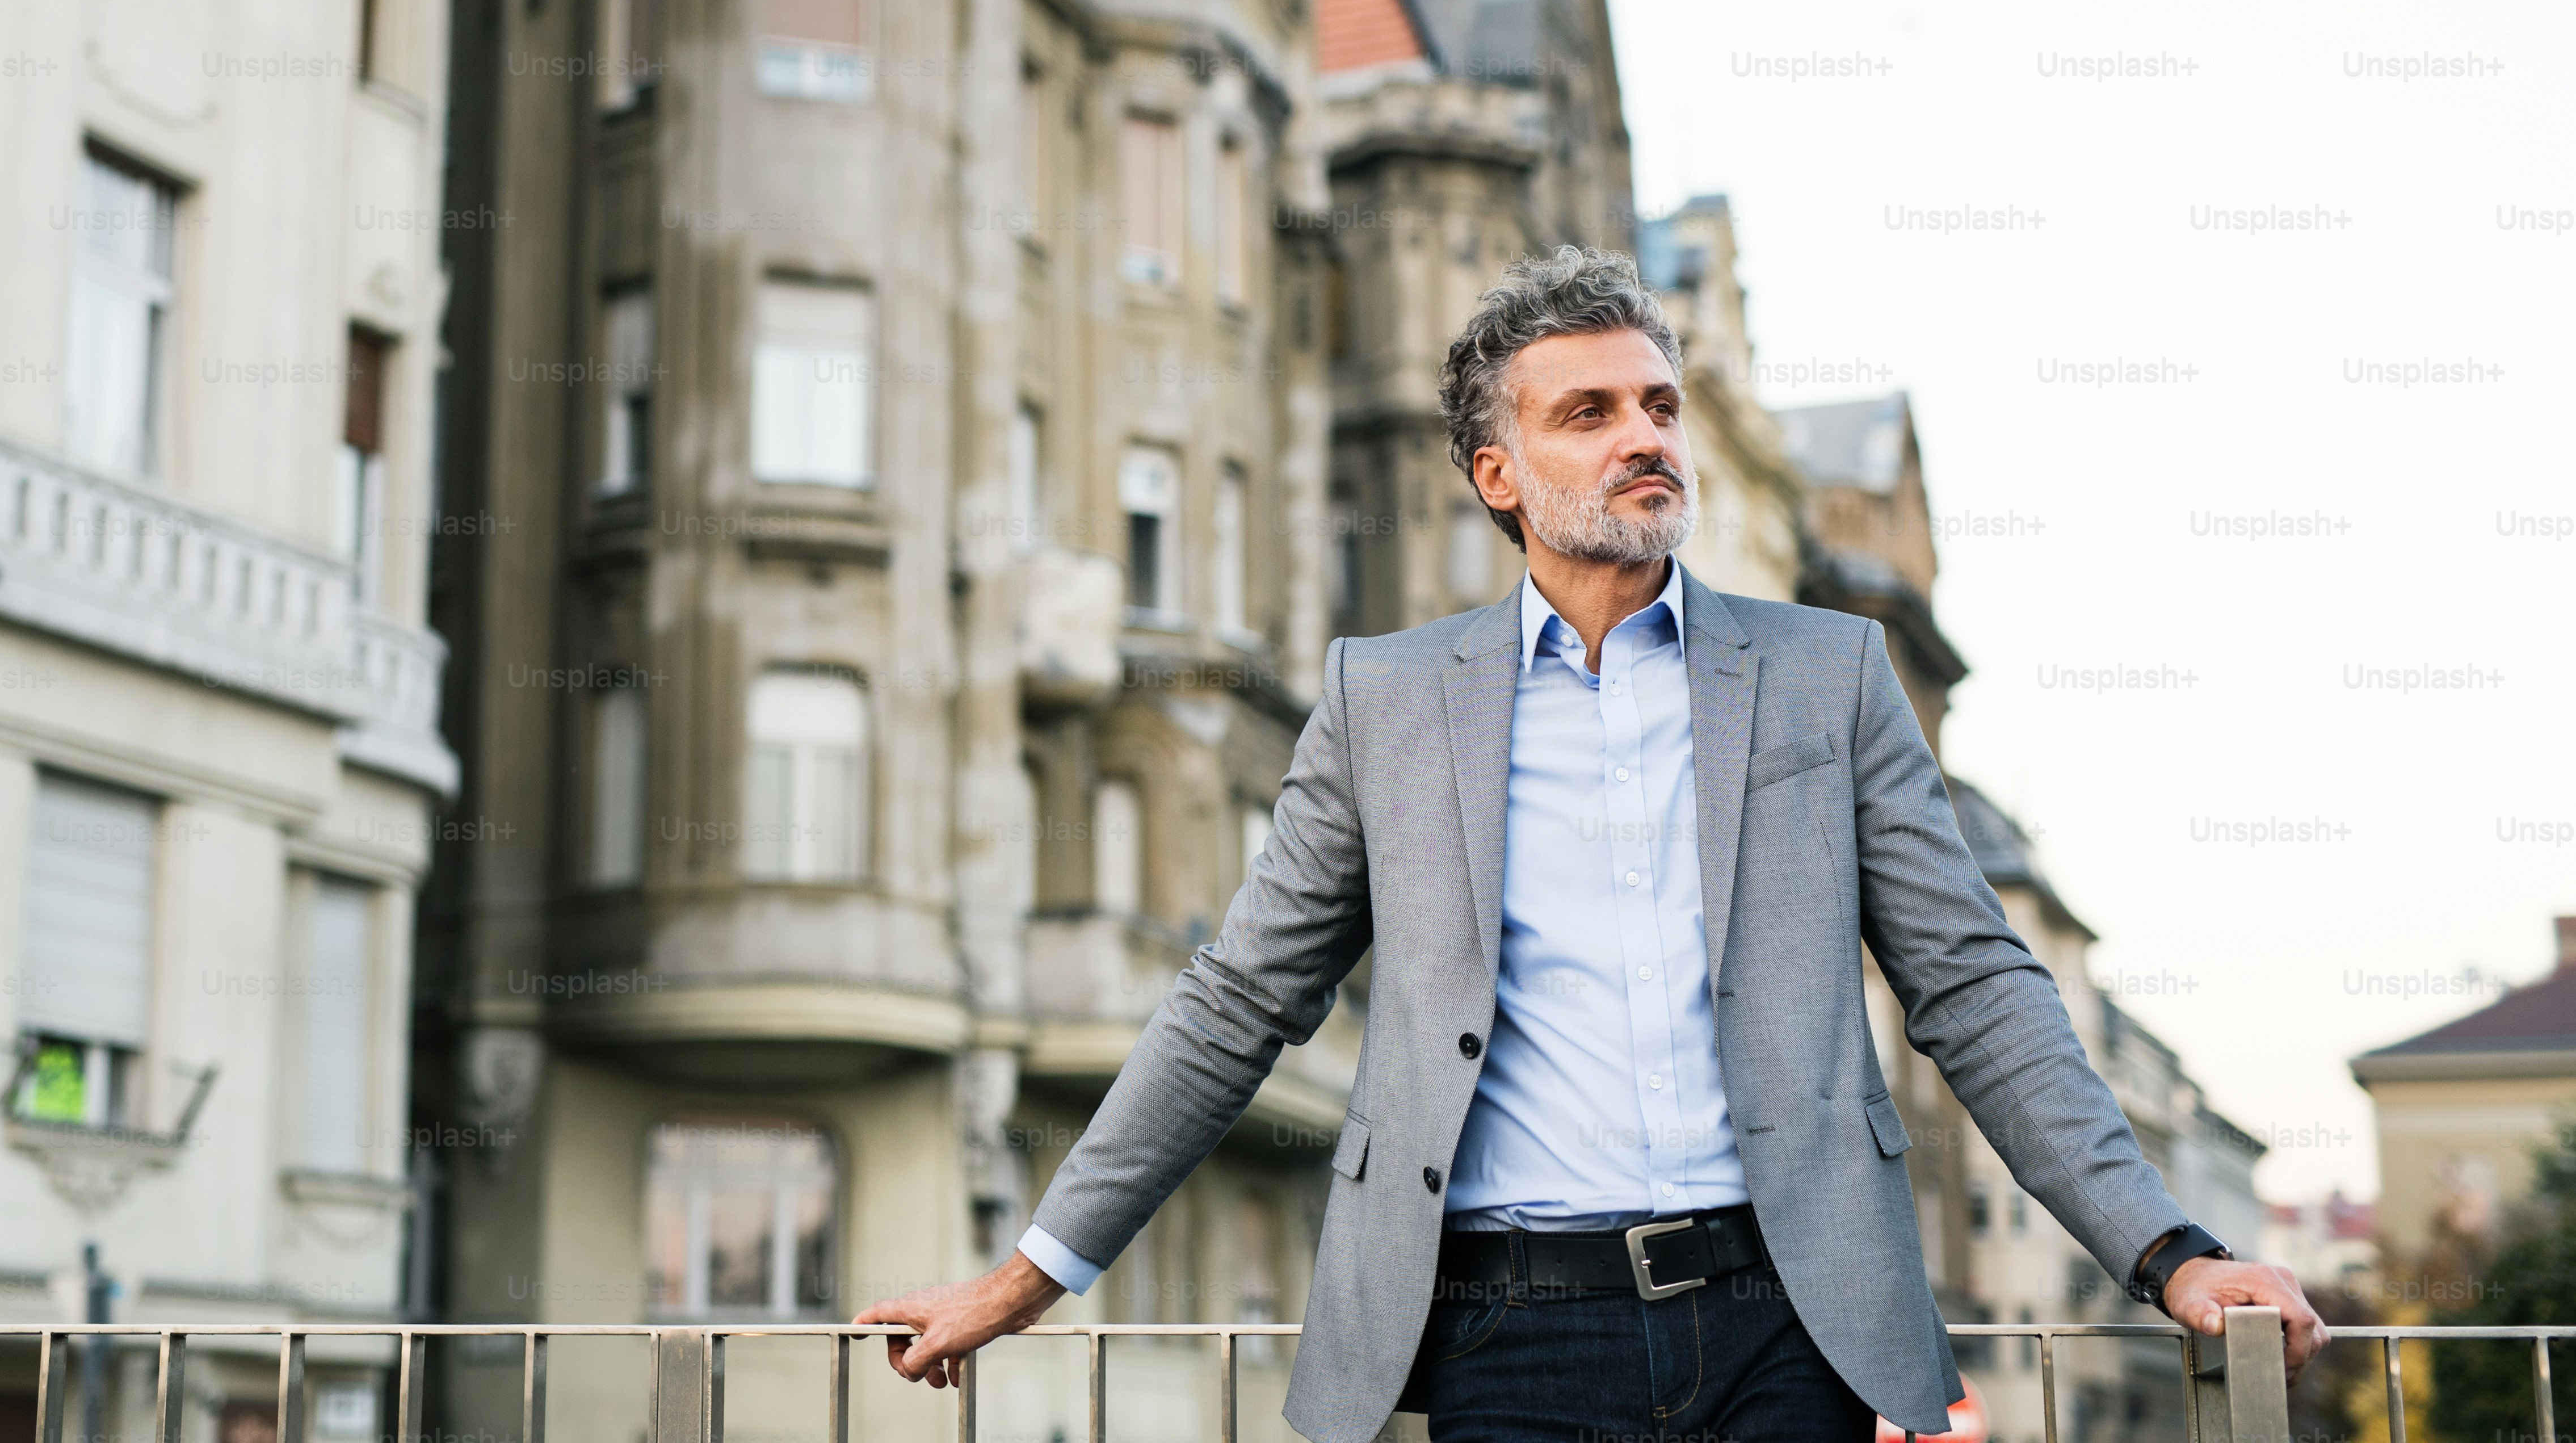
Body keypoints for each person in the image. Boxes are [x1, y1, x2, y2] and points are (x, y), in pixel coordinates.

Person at [861, 248, 2324, 1440]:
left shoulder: (1829, 674)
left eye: (1658, 405)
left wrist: (2171, 1254)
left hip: (1789, 1316)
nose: (1644, 437)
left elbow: (1978, 988)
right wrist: (1028, 1277)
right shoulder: (1389, 700)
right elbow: (1238, 1000)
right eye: (1588, 415)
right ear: (1498, 476)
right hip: (1511, 1329)